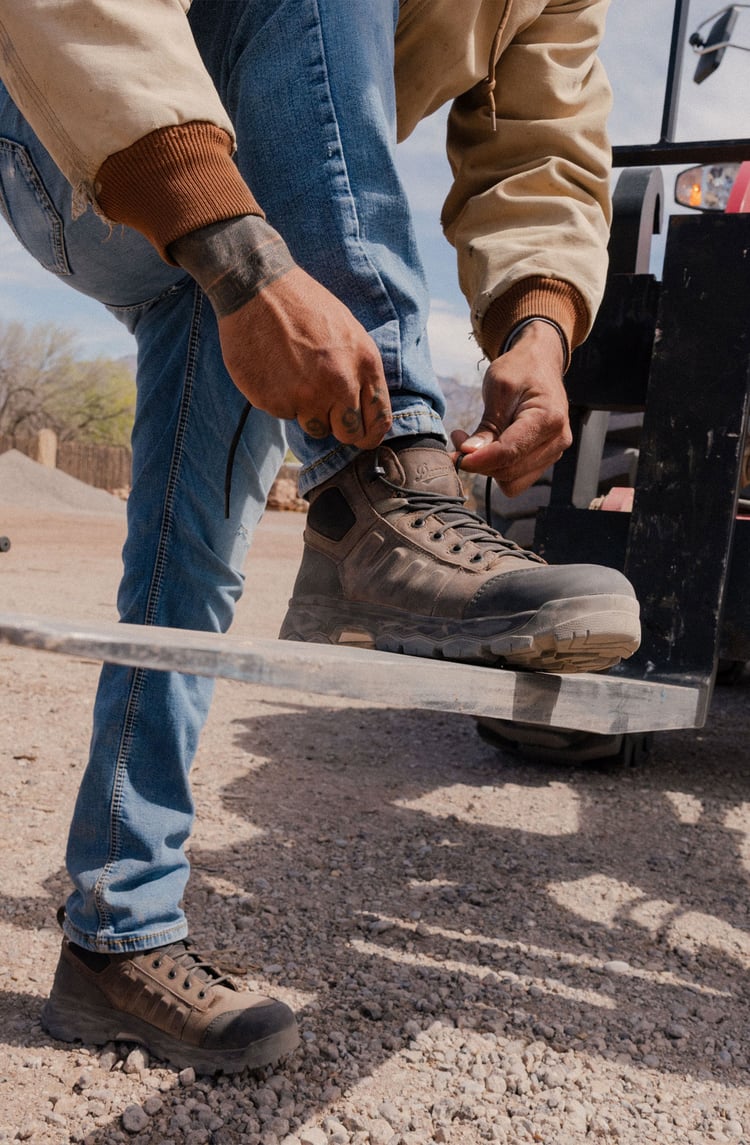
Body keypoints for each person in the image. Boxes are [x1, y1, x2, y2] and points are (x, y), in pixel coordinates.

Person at [0, 0, 639, 1075]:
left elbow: (544, 140)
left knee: (182, 579)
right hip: (70, 114)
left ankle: (116, 939)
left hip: (257, 187)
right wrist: (244, 260)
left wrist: (538, 322)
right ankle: (377, 486)